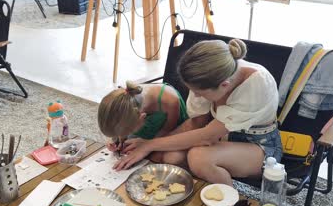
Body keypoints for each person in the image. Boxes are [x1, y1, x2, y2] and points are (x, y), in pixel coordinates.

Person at [113, 38, 283, 186]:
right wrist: (151, 144)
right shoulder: (207, 75)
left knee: (199, 157)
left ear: (224, 84)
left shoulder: (256, 84)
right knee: (169, 157)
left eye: (199, 93)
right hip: (223, 138)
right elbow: (196, 124)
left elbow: (207, 135)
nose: (195, 96)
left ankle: (230, 202)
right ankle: (199, 192)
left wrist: (149, 145)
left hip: (261, 147)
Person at [97, 81, 188, 156]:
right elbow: (118, 124)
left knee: (171, 157)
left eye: (128, 131)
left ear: (142, 116)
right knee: (130, 147)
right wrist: (117, 140)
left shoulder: (169, 101)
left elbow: (167, 132)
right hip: (141, 128)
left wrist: (146, 144)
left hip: (167, 132)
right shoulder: (124, 102)